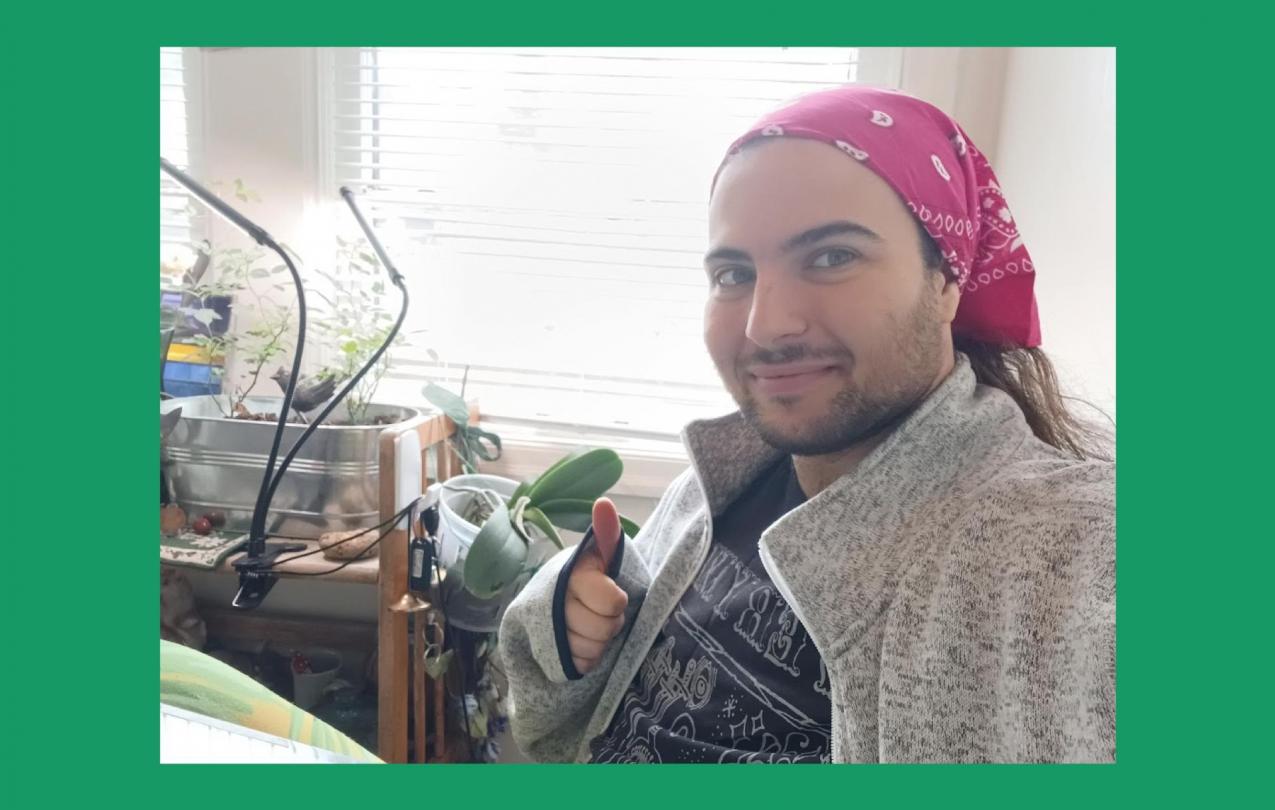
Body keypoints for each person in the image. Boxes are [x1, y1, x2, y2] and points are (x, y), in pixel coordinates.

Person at [497, 85, 1115, 764]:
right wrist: (570, 622)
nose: (765, 326)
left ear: (945, 281)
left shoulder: (1062, 549)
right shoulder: (717, 481)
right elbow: (555, 723)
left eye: (831, 257)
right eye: (733, 273)